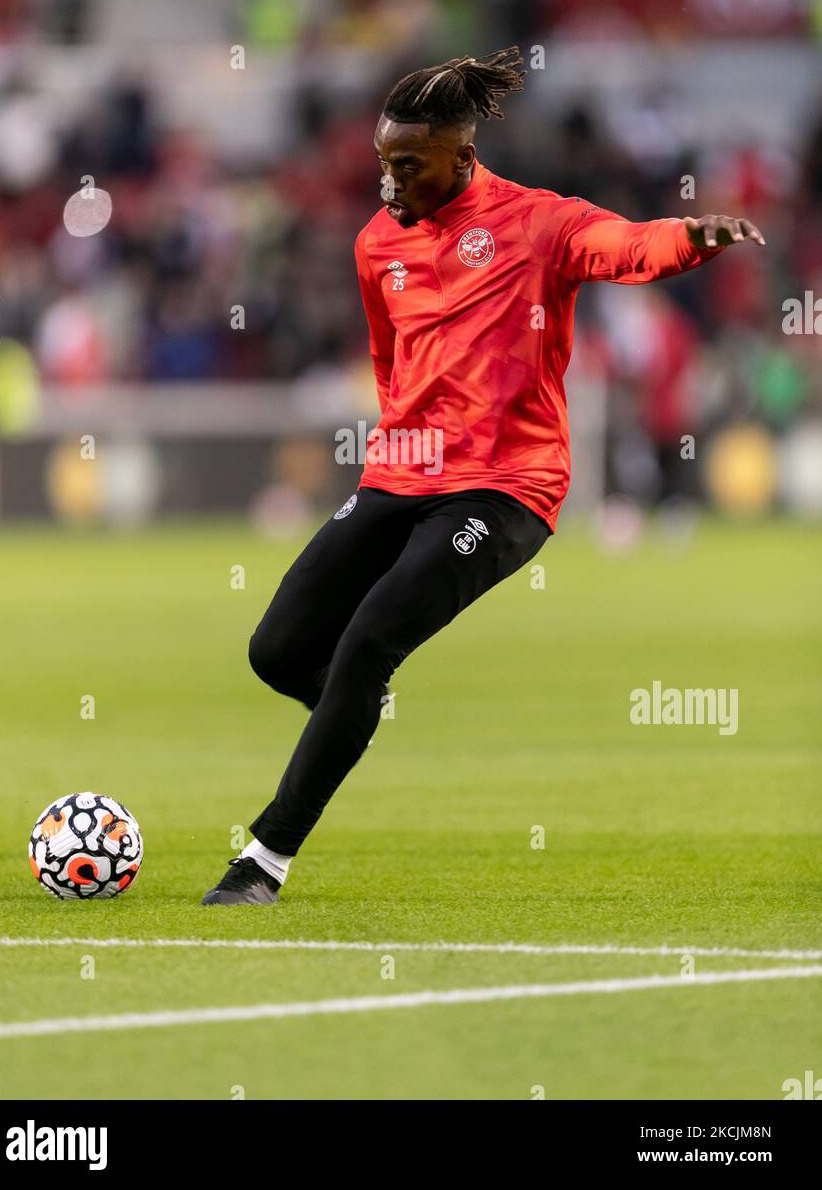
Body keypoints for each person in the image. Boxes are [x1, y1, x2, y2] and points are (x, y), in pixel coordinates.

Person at [201, 46, 765, 905]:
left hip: (505, 485)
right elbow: (390, 362)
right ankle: (353, 712)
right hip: (401, 472)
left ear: (463, 157)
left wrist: (693, 237)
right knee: (277, 651)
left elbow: (624, 246)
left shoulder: (536, 222)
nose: (390, 180)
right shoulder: (375, 243)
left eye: (408, 164)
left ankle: (263, 862)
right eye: (383, 162)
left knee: (368, 642)